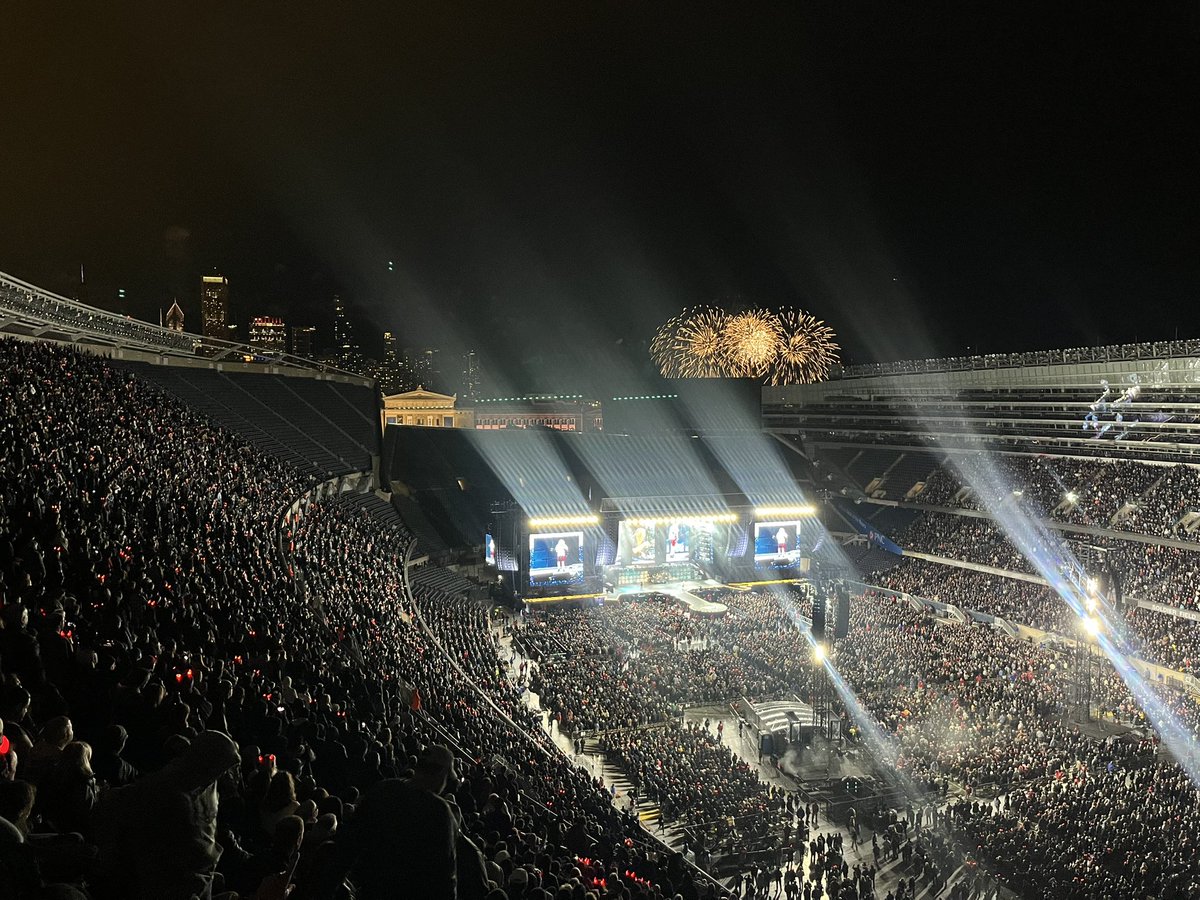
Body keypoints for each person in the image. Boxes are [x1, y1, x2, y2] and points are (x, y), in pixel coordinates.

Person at [95, 729, 241, 900]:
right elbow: (122, 802)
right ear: (208, 761)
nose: (223, 774)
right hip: (170, 881)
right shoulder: (168, 785)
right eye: (221, 768)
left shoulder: (206, 781)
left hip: (199, 876)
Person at [324, 744, 459, 899]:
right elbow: (445, 880)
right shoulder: (440, 813)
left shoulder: (384, 788)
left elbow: (348, 845)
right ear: (441, 774)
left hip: (367, 889)